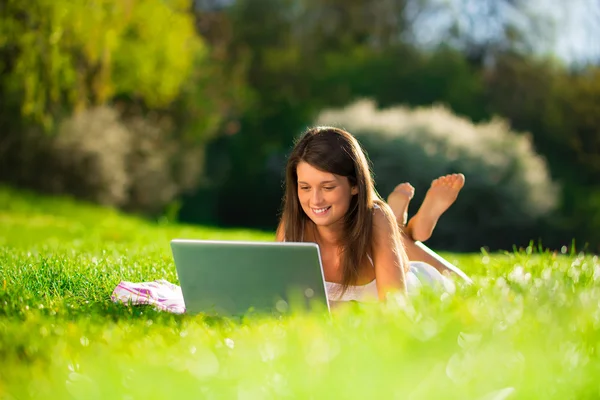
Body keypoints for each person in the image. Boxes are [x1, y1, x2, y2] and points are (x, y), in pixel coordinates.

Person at [275, 126, 471, 304]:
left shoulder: (375, 218)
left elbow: (395, 307)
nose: (315, 200)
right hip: (380, 235)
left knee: (466, 287)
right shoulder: (293, 224)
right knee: (393, 236)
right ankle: (400, 228)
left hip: (419, 288)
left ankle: (400, 227)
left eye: (328, 187)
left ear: (354, 185)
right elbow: (272, 298)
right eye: (305, 187)